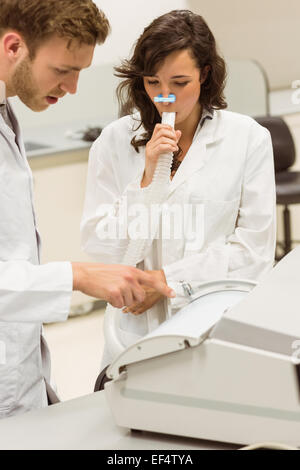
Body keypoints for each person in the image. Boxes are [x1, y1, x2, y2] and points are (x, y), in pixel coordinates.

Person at [0, 0, 175, 418]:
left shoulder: (7, 112)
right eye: (63, 71)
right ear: (13, 47)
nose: (73, 87)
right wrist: (77, 275)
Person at [81, 10, 276, 367]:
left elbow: (254, 252)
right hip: (133, 333)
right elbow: (101, 248)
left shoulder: (247, 139)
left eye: (179, 83)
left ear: (205, 74)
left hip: (214, 323)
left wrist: (168, 280)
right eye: (153, 82)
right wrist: (146, 179)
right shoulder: (114, 142)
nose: (165, 98)